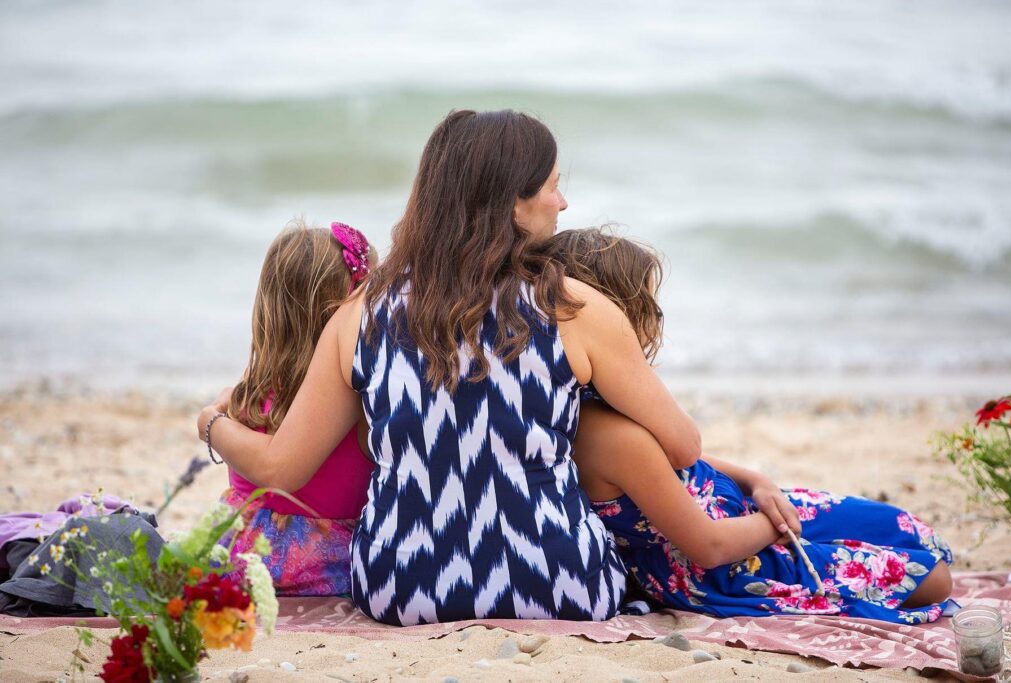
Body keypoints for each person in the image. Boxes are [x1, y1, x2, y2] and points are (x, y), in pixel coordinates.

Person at [196, 109, 706, 626]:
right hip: (560, 585)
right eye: (553, 186)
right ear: (512, 202)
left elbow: (281, 469)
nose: (563, 201)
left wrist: (211, 423)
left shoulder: (360, 314)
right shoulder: (576, 309)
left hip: (396, 589)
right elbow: (683, 446)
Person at [544, 226, 954, 624]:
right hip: (729, 562)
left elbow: (672, 463)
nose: (655, 322)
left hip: (741, 512)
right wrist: (774, 525)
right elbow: (708, 546)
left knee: (907, 530)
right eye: (650, 308)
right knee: (934, 579)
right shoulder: (611, 436)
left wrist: (754, 481)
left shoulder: (598, 401)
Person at [218, 220, 377, 596]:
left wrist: (211, 421)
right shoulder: (358, 398)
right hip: (326, 567)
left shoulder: (247, 396)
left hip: (237, 558)